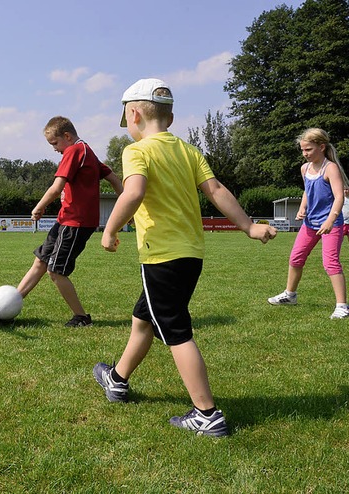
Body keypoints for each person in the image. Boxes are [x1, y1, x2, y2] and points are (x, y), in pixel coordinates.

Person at [93, 78, 277, 437]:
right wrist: (249, 227)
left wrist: (110, 229)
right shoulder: (188, 151)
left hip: (161, 256)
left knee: (177, 331)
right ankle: (117, 379)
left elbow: (134, 192)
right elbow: (217, 190)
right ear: (171, 119)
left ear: (133, 114)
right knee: (143, 318)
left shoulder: (137, 151)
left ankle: (207, 414)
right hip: (191, 255)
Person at [0, 116, 123, 327]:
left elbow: (56, 187)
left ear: (67, 136)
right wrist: (126, 199)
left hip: (76, 223)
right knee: (40, 262)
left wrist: (39, 206)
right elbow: (113, 178)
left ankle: (81, 317)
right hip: (66, 220)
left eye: (55, 143)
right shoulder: (88, 152)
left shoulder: (74, 151)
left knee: (56, 271)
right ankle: (6, 310)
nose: (55, 149)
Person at [268, 128, 349, 319]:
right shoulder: (305, 169)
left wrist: (330, 220)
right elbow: (307, 191)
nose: (305, 154)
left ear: (321, 147)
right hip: (310, 224)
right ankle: (290, 295)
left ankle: (342, 306)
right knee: (296, 258)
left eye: (309, 150)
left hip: (331, 224)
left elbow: (339, 197)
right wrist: (302, 208)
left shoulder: (330, 168)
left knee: (330, 263)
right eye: (303, 150)